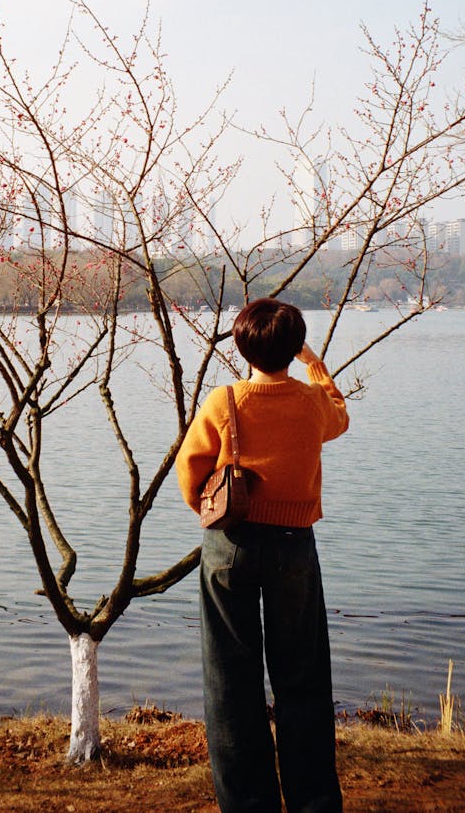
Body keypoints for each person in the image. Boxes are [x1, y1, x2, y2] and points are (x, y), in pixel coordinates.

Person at [176, 298, 349, 813]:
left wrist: (213, 514)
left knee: (230, 679)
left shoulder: (224, 400)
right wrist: (314, 366)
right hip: (295, 544)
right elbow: (340, 414)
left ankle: (248, 804)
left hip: (232, 543)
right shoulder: (312, 403)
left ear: (240, 344)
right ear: (294, 347)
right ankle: (314, 802)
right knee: (304, 677)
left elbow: (191, 469)